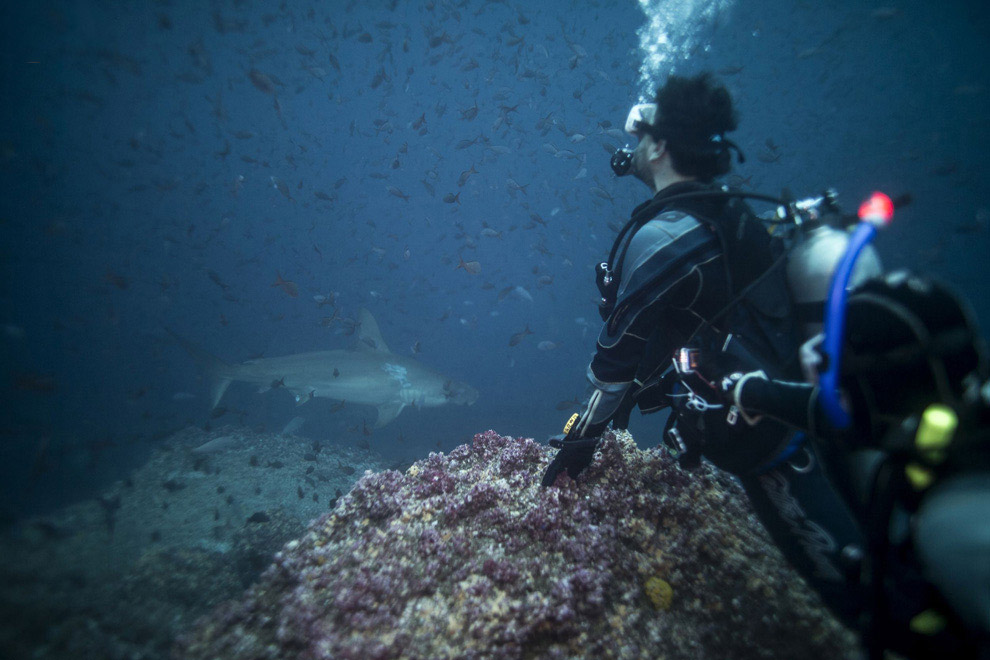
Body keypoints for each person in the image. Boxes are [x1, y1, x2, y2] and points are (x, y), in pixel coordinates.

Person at [541, 73, 879, 631]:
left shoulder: (662, 238)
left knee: (861, 595)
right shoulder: (730, 214)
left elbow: (613, 367)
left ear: (659, 145)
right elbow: (705, 318)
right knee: (874, 538)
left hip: (769, 442)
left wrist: (582, 442)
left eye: (642, 132)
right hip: (808, 406)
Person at [682, 271, 990, 659]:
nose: (828, 395)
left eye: (839, 387)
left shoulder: (955, 526)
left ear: (878, 393)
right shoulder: (947, 405)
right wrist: (748, 391)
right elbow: (838, 415)